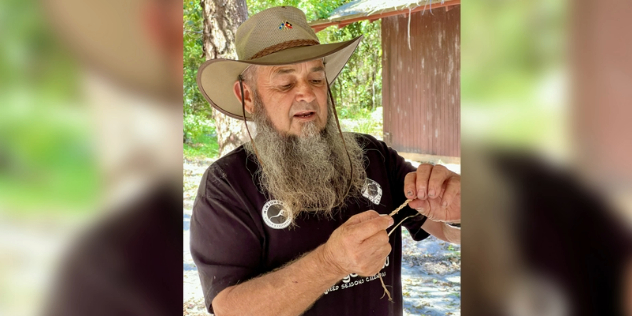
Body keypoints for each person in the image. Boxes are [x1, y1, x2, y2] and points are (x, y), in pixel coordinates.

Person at [191, 6, 461, 316]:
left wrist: (457, 213)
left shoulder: (372, 155)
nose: (306, 94)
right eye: (286, 84)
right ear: (248, 97)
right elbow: (230, 308)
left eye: (316, 80)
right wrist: (330, 263)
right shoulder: (227, 185)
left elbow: (444, 229)